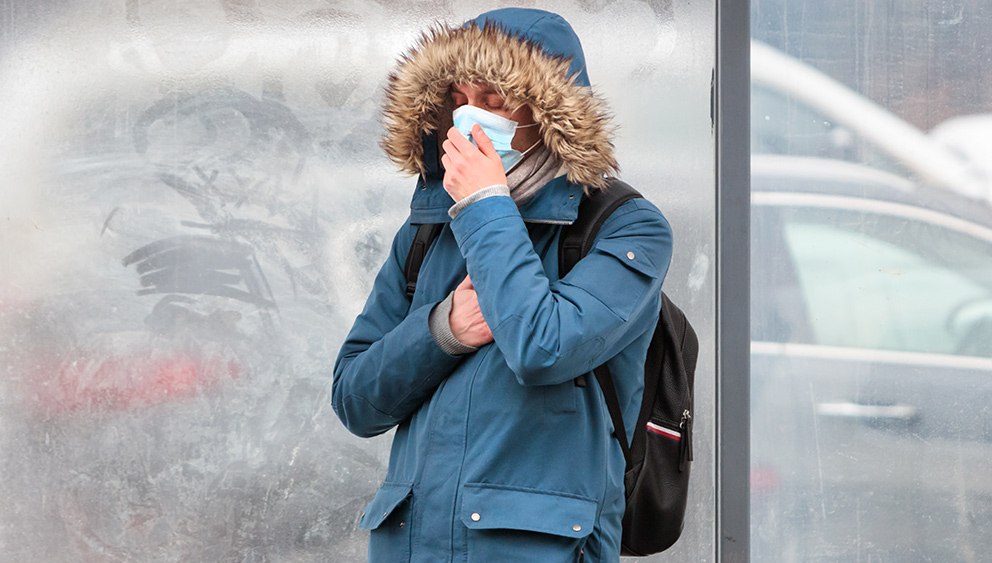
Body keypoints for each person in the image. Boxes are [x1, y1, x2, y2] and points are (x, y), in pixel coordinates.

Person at [331, 8, 672, 562]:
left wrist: (485, 205)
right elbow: (355, 401)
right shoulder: (426, 231)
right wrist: (442, 331)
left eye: (493, 101)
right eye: (459, 99)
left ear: (551, 113)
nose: (469, 116)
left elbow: (544, 348)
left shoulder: (625, 227)